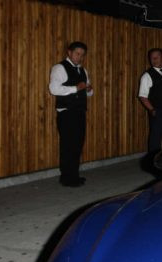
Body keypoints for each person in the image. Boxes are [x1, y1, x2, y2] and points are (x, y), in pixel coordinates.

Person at [48, 41, 93, 187]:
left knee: (77, 145)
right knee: (68, 146)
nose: (80, 57)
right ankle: (67, 178)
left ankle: (74, 175)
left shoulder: (83, 70)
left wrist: (88, 90)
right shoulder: (59, 68)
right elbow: (54, 89)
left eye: (82, 55)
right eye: (77, 53)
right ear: (69, 52)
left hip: (80, 112)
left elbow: (89, 93)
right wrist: (76, 88)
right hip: (67, 113)